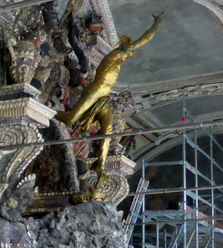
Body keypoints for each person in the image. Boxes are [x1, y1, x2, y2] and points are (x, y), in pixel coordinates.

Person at [55, 14, 163, 172]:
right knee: (71, 118)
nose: (128, 56)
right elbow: (141, 41)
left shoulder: (117, 64)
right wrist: (156, 25)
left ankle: (101, 164)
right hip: (96, 90)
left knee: (107, 132)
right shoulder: (114, 56)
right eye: (128, 53)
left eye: (129, 55)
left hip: (104, 98)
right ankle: (48, 114)